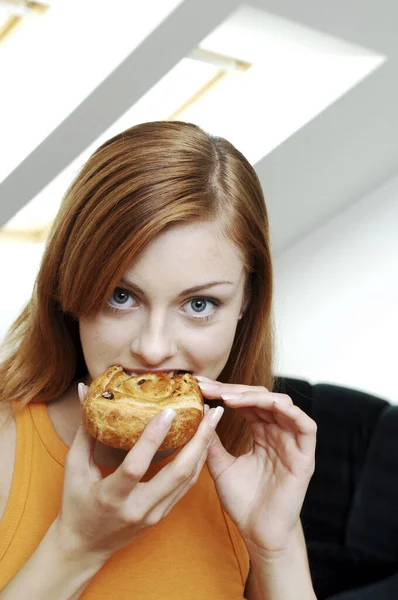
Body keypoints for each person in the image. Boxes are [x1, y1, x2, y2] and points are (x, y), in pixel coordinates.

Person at [0, 121, 317, 599]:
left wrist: (278, 546)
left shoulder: (242, 462)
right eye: (120, 295)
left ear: (246, 303)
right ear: (69, 285)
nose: (152, 347)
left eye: (199, 305)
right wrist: (76, 548)